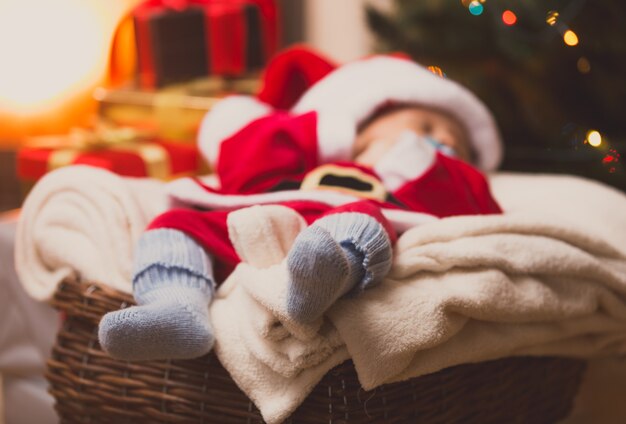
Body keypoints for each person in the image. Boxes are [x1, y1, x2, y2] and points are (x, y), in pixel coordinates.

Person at [98, 47, 503, 361]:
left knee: (362, 218)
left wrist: (424, 163)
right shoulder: (315, 149)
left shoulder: (428, 185)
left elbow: (476, 215)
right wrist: (323, 130)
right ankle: (175, 309)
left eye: (457, 146)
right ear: (363, 121)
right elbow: (245, 168)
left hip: (342, 227)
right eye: (427, 127)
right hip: (268, 215)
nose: (444, 142)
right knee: (179, 223)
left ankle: (320, 280)